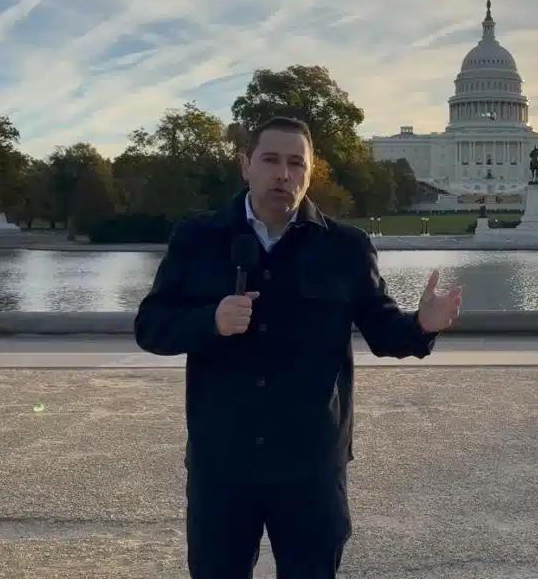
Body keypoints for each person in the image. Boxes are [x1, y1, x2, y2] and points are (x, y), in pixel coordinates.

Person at [133, 116, 463, 578]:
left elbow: (383, 331)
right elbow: (151, 326)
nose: (283, 174)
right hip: (223, 462)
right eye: (270, 160)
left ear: (310, 172)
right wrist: (210, 321)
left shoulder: (346, 248)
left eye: (296, 163)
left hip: (310, 467)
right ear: (245, 164)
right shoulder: (198, 239)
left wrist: (422, 325)